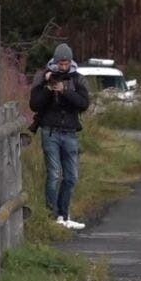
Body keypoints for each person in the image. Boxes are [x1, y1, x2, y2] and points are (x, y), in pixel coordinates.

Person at [30, 43, 91, 230]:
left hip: (70, 132)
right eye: (60, 63)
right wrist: (49, 88)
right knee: (54, 174)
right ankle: (51, 214)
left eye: (66, 63)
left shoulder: (78, 80)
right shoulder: (43, 77)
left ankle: (64, 214)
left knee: (71, 176)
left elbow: (83, 104)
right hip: (50, 131)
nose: (63, 66)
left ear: (70, 61)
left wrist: (64, 90)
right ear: (55, 62)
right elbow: (35, 104)